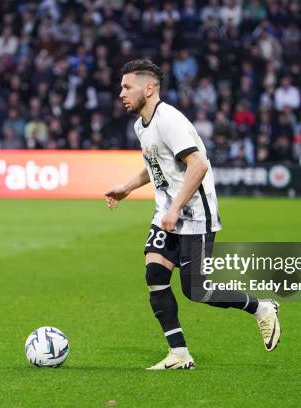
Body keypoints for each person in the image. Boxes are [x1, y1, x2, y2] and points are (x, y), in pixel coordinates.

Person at [104, 60, 281, 370]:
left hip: (195, 214)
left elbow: (198, 165)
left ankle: (262, 308)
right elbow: (155, 166)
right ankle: (179, 354)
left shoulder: (169, 120)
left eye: (127, 86)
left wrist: (175, 209)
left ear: (149, 88)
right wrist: (127, 188)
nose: (121, 93)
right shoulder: (140, 125)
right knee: (155, 275)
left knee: (196, 291)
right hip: (168, 213)